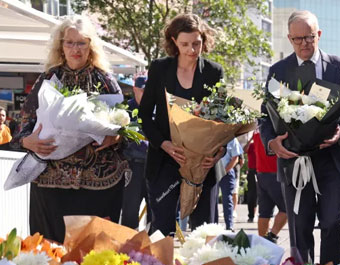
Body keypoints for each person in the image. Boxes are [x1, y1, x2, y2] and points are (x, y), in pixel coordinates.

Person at [260, 10, 340, 265]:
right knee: (300, 226)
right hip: (293, 161)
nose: (304, 43)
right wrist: (272, 143)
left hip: (332, 158)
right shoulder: (278, 71)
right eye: (298, 39)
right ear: (289, 39)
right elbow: (265, 116)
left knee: (332, 222)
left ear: (319, 34)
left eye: (309, 37)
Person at [11, 16, 128, 242]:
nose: (75, 49)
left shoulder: (104, 80)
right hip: (49, 181)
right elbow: (22, 124)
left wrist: (114, 138)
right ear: (61, 46)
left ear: (91, 46)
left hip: (97, 183)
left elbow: (125, 129)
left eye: (81, 43)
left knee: (92, 252)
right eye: (70, 43)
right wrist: (27, 142)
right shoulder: (48, 78)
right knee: (50, 250)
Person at [139, 13, 225, 236]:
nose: (191, 50)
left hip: (203, 164)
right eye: (185, 44)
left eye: (196, 43)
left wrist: (217, 153)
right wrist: (165, 144)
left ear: (204, 41)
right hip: (165, 160)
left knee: (204, 232)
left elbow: (223, 121)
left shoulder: (215, 72)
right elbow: (144, 116)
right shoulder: (159, 69)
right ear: (173, 41)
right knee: (161, 231)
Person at [120, 76, 150, 229]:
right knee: (130, 211)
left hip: (153, 167)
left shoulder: (157, 109)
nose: (146, 93)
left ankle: (155, 247)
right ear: (135, 89)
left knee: (155, 212)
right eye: (143, 90)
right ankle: (128, 246)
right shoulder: (125, 110)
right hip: (132, 167)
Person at [252, 131, 287, 243]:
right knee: (287, 208)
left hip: (261, 172)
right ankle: (271, 236)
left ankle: (263, 242)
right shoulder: (274, 132)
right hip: (274, 172)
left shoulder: (258, 131)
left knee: (264, 212)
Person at [219, 137, 243, 230]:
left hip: (227, 172)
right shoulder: (213, 136)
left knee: (227, 198)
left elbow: (236, 158)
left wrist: (224, 171)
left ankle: (229, 226)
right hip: (213, 172)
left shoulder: (232, 139)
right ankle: (212, 224)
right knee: (211, 200)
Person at [244, 135, 257, 223]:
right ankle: (251, 215)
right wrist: (251, 139)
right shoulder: (252, 146)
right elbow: (244, 150)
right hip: (252, 172)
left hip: (262, 171)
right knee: (252, 195)